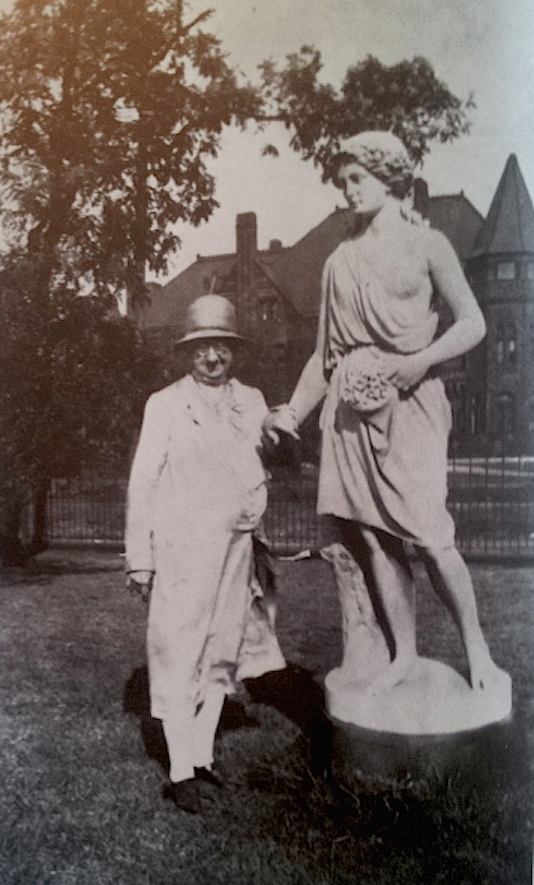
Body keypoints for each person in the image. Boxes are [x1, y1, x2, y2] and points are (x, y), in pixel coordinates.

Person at [264, 130, 508, 697]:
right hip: (350, 411)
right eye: (343, 182)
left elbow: (474, 323)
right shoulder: (338, 261)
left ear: (390, 178)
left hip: (413, 401)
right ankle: (403, 654)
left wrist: (420, 361)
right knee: (374, 541)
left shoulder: (430, 246)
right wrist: (293, 414)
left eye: (358, 179)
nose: (348, 191)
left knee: (431, 535)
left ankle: (479, 651)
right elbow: (324, 358)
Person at [126, 294, 285, 813]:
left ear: (232, 349)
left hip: (237, 549)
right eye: (201, 348)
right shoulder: (165, 404)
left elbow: (278, 460)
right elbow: (143, 484)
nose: (212, 358)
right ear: (187, 352)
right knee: (178, 652)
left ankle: (201, 760)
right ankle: (177, 771)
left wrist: (287, 434)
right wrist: (140, 558)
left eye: (221, 346)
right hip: (182, 551)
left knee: (222, 650)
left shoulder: (254, 401)